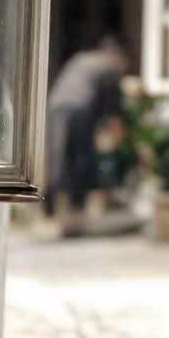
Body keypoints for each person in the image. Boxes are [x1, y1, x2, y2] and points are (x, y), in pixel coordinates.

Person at [43, 36, 127, 231]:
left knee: (58, 156)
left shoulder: (81, 58)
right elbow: (113, 105)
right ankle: (76, 209)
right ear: (117, 55)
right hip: (79, 108)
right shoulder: (109, 65)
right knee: (81, 158)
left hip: (56, 105)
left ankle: (51, 206)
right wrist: (116, 126)